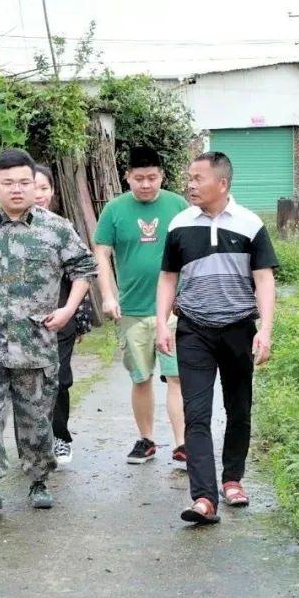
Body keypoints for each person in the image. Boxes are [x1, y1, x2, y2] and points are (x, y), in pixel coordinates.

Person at [0, 149, 97, 517]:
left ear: (35, 185)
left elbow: (84, 269)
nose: (17, 190)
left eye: (24, 183)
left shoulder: (56, 228)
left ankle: (38, 481)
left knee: (34, 418)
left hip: (37, 341)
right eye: (8, 183)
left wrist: (68, 309)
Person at [156, 152, 278, 525]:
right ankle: (204, 498)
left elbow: (264, 280)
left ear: (222, 183)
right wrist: (162, 322)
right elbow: (167, 278)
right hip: (193, 327)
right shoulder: (179, 224)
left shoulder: (250, 224)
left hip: (239, 326)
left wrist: (266, 330)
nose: (190, 184)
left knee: (239, 408)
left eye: (198, 178)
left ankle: (232, 480)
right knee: (197, 414)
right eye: (189, 177)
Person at [93, 146, 188, 466]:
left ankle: (183, 444)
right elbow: (102, 255)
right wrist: (108, 294)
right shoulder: (115, 210)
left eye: (152, 178)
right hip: (132, 308)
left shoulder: (178, 205)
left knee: (176, 377)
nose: (146, 184)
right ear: (127, 177)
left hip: (174, 310)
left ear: (162, 176)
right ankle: (147, 440)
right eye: (138, 178)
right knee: (141, 377)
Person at [34, 164, 93, 465]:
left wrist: (77, 317)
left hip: (60, 319)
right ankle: (34, 442)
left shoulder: (63, 228)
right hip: (23, 324)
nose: (39, 194)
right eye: (34, 187)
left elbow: (81, 275)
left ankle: (60, 437)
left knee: (58, 379)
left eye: (44, 188)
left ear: (52, 191)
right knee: (28, 383)